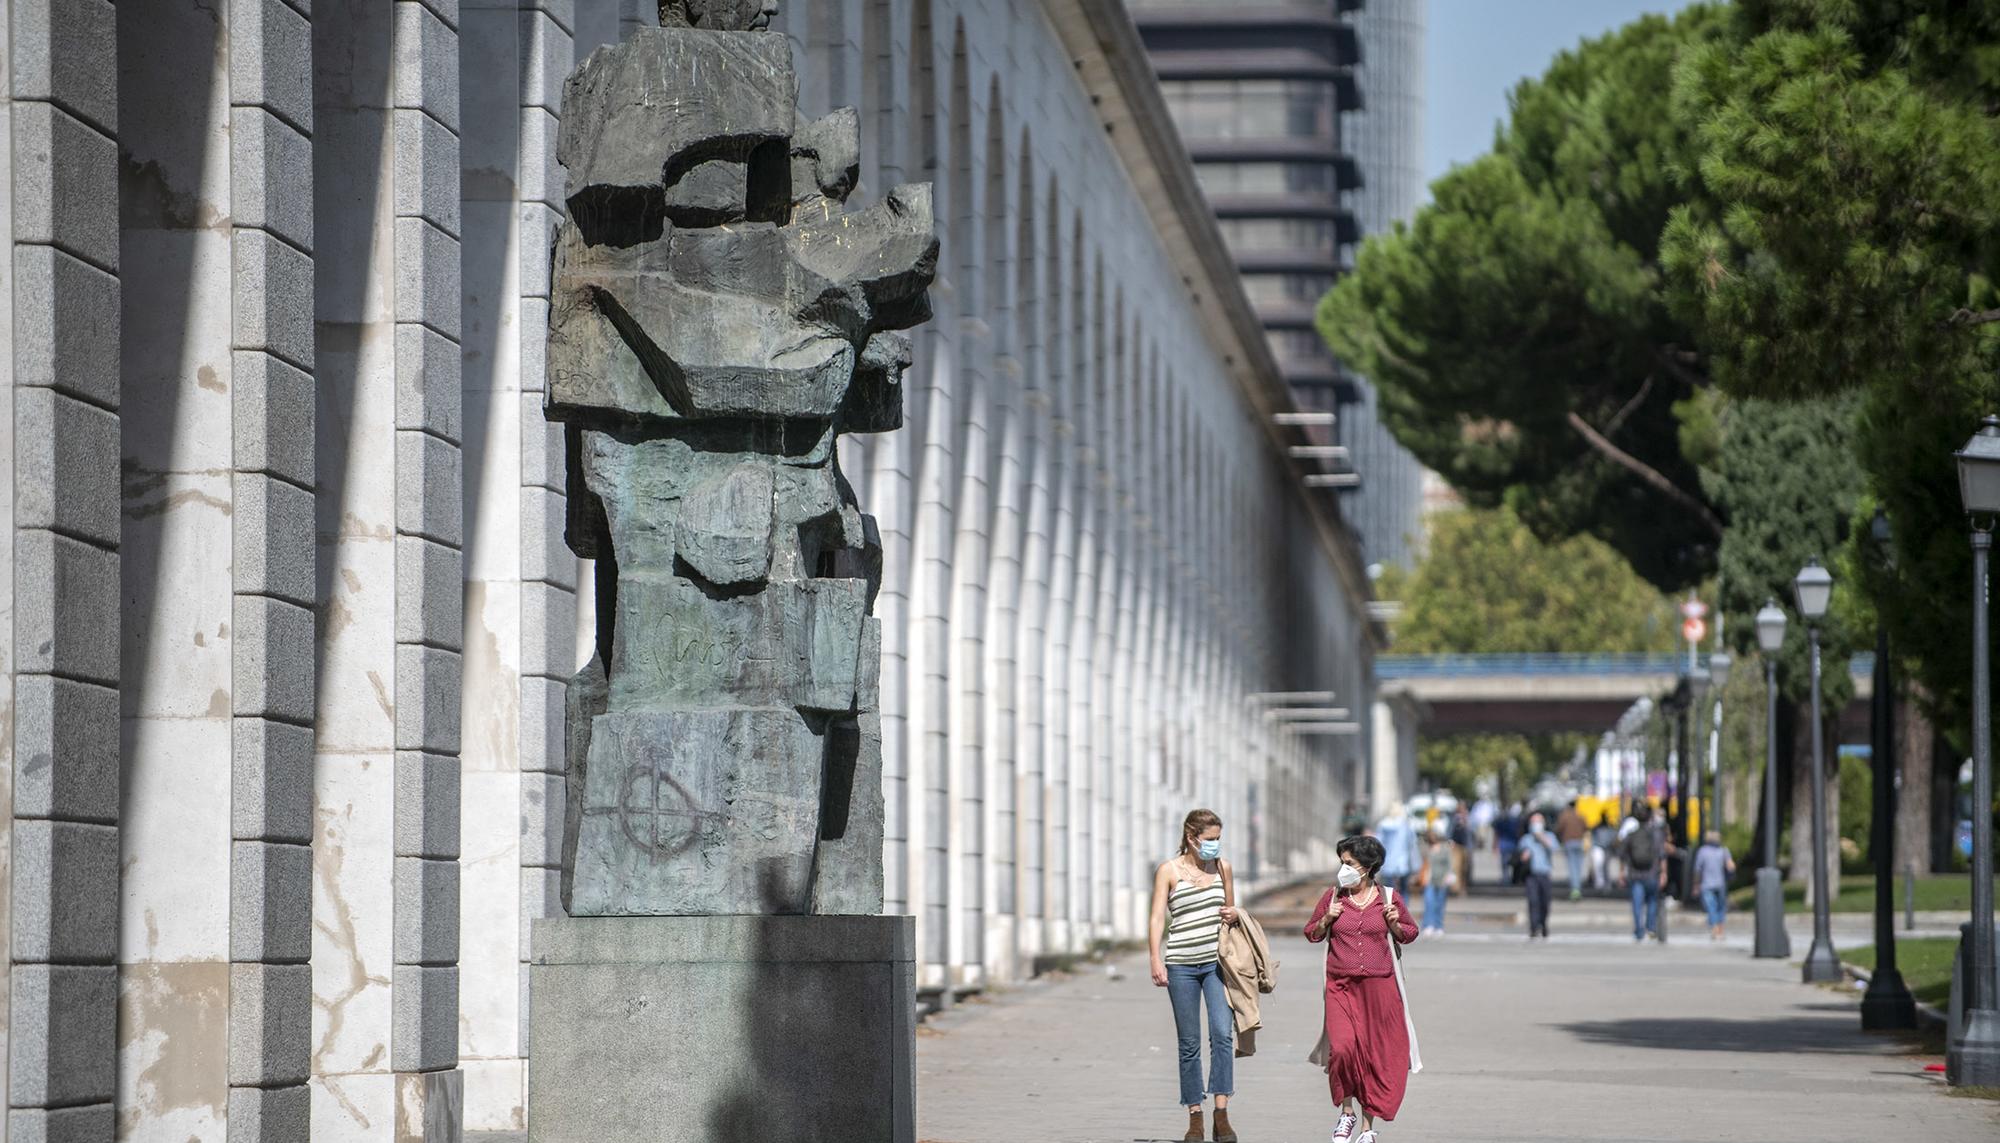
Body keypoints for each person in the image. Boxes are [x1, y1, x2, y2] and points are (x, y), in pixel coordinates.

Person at [1305, 836, 1419, 1143]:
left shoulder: (1389, 897)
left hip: (1380, 988)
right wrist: (1326, 920)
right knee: (1342, 1050)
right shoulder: (1333, 897)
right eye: (1342, 862)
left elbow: (1410, 933)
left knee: (1373, 1056)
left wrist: (1395, 924)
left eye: (1349, 863)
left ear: (1367, 868)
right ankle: (1347, 1112)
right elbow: (1311, 933)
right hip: (1340, 986)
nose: (1343, 869)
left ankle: (1368, 1129)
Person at [1149, 809, 1240, 1143]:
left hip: (1217, 964)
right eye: (1210, 840)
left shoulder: (1223, 868)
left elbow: (1230, 916)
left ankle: (1221, 1113)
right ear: (1191, 837)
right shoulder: (1168, 871)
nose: (1215, 846)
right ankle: (1195, 1117)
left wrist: (1233, 913)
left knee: (1222, 1034)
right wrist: (1155, 959)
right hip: (1181, 965)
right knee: (1189, 1043)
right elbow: (1158, 918)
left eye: (1218, 839)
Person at [1618, 803, 1671, 942]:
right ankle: (1651, 928)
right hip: (1652, 873)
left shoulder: (1631, 835)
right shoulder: (1656, 835)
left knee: (1637, 903)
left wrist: (1621, 872)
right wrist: (1664, 873)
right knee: (1652, 901)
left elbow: (1622, 855)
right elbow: (1662, 855)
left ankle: (1638, 930)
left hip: (1635, 874)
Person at [1515, 812, 1557, 938]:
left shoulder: (1549, 836)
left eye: (1538, 822)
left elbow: (1554, 848)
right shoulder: (1526, 839)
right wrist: (1523, 857)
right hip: (1531, 875)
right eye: (1534, 822)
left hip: (1545, 874)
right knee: (1533, 901)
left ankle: (1543, 924)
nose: (1536, 825)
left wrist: (1541, 838)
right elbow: (1519, 855)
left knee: (1545, 902)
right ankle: (1534, 927)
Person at [1693, 831, 1736, 940]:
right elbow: (1731, 866)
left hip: (1706, 884)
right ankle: (1720, 928)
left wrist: (1696, 884)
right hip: (1720, 883)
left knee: (1711, 907)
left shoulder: (1702, 851)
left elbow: (1698, 870)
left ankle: (1715, 928)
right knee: (1721, 907)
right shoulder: (1723, 851)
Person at [1375, 802, 1419, 897]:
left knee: (1388, 890)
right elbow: (1412, 843)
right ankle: (1403, 908)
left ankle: (1389, 907)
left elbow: (1378, 842)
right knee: (1404, 889)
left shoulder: (1383, 824)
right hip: (1403, 861)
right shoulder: (1407, 825)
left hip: (1387, 861)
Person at [1417, 827, 1453, 935]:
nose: (1432, 839)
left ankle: (1438, 925)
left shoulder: (1445, 848)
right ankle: (1428, 925)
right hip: (1429, 880)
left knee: (1439, 904)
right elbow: (1421, 855)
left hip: (1442, 879)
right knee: (1429, 903)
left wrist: (1447, 876)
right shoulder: (1427, 849)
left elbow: (1449, 864)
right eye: (1430, 837)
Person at [1555, 799, 1588, 901]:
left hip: (1569, 842)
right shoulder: (1580, 815)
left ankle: (1575, 890)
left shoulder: (1564, 816)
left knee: (1572, 867)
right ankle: (1577, 889)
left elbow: (1559, 829)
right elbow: (1586, 827)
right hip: (1579, 842)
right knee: (1578, 867)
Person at [1493, 805, 1522, 886]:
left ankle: (1506, 880)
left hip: (1505, 845)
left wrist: (1495, 846)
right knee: (1511, 863)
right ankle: (1511, 879)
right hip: (1511, 845)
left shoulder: (1501, 822)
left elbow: (1497, 835)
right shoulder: (1514, 821)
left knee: (1505, 864)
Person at [1589, 816, 1617, 892]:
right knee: (1601, 866)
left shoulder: (1600, 828)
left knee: (1602, 866)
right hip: (1602, 848)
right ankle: (1601, 883)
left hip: (1604, 848)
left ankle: (1603, 883)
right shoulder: (1607, 828)